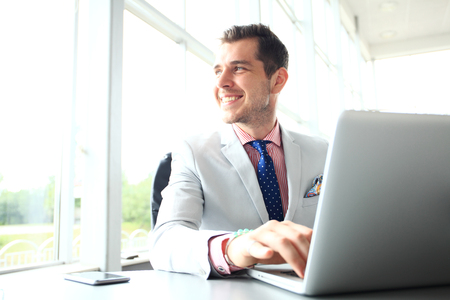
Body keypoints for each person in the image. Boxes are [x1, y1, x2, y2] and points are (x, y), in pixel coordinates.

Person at [149, 24, 328, 279]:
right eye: (218, 71)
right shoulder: (193, 152)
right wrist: (235, 247)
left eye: (238, 68)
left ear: (277, 80)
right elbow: (165, 242)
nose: (221, 83)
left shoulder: (323, 152)